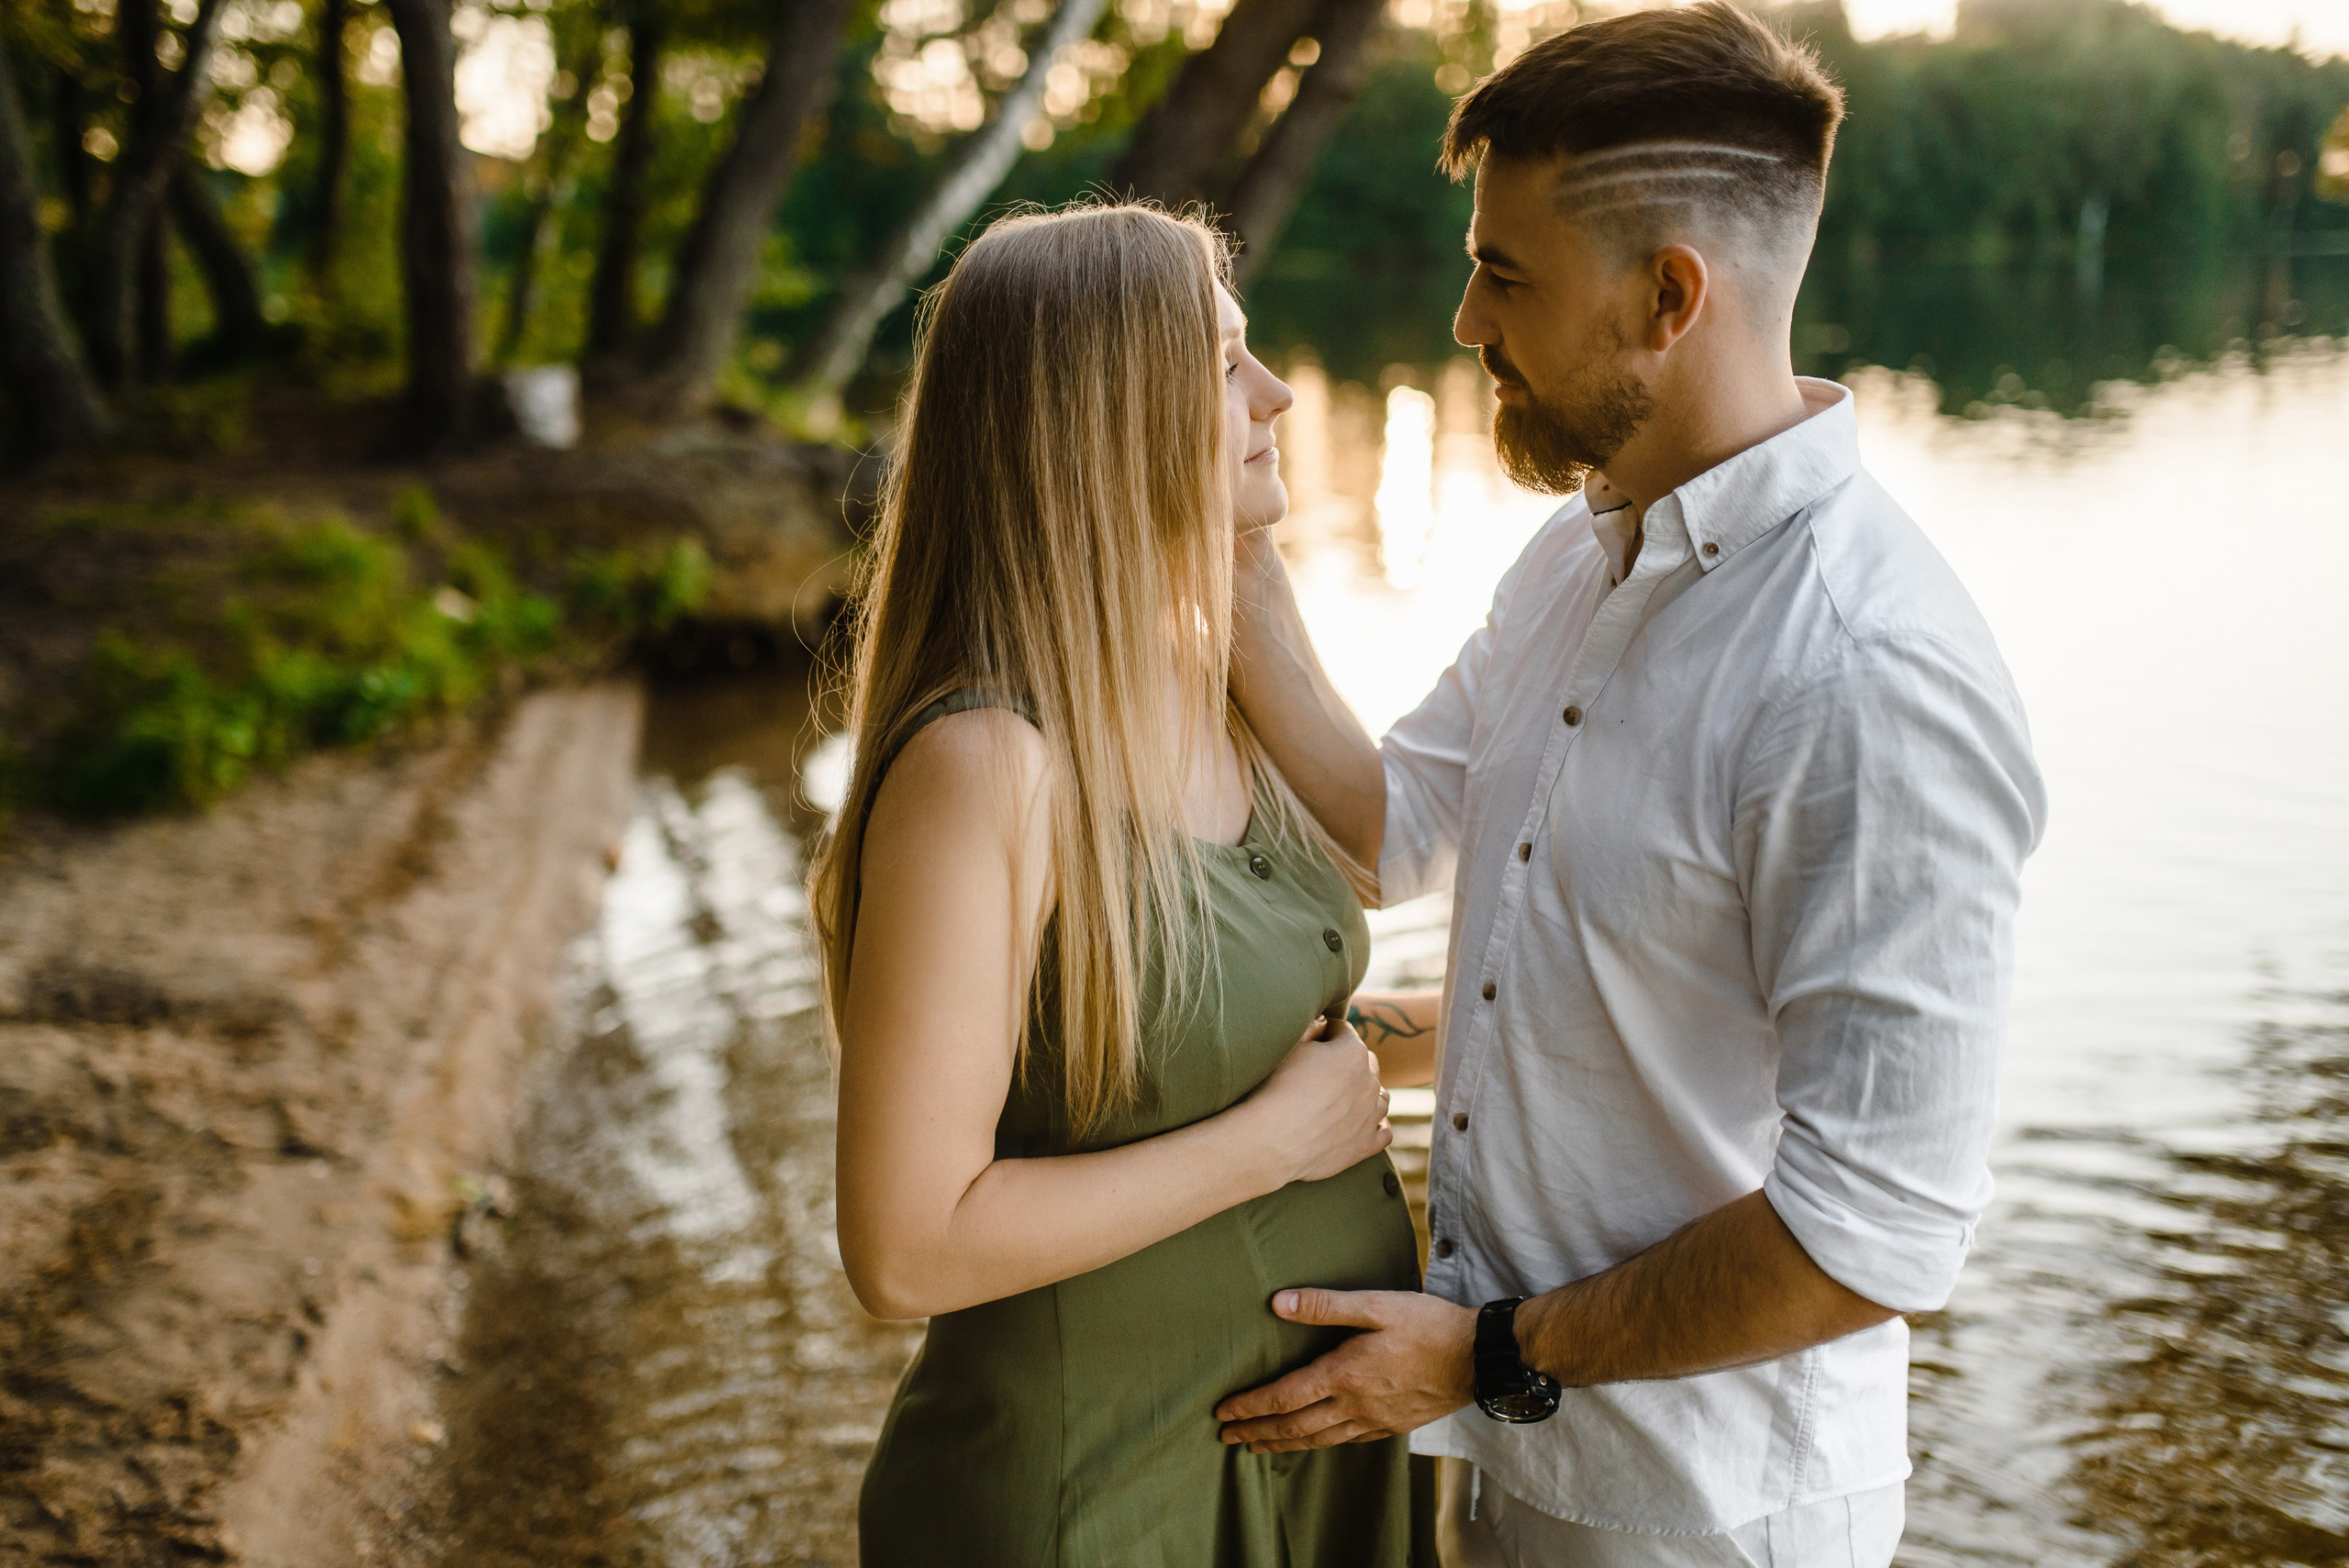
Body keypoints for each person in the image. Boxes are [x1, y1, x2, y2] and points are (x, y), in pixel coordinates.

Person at [1211, 6, 2048, 1565]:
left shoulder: (1867, 674)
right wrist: (1236, 545)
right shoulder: (1576, 550)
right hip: (1517, 1457)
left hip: (1707, 1518)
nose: (1465, 317)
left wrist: (1484, 1356)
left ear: (1669, 296)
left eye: (1507, 273)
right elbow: (1396, 831)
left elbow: (1873, 1234)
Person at [812, 204, 1437, 1566]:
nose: (1275, 394)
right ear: (1108, 418)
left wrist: (1491, 1032)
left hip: (1313, 1464)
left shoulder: (1215, 696)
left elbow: (1274, 1006)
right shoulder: (989, 763)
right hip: (1099, 1496)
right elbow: (905, 1247)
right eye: (1224, 364)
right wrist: (1270, 1149)